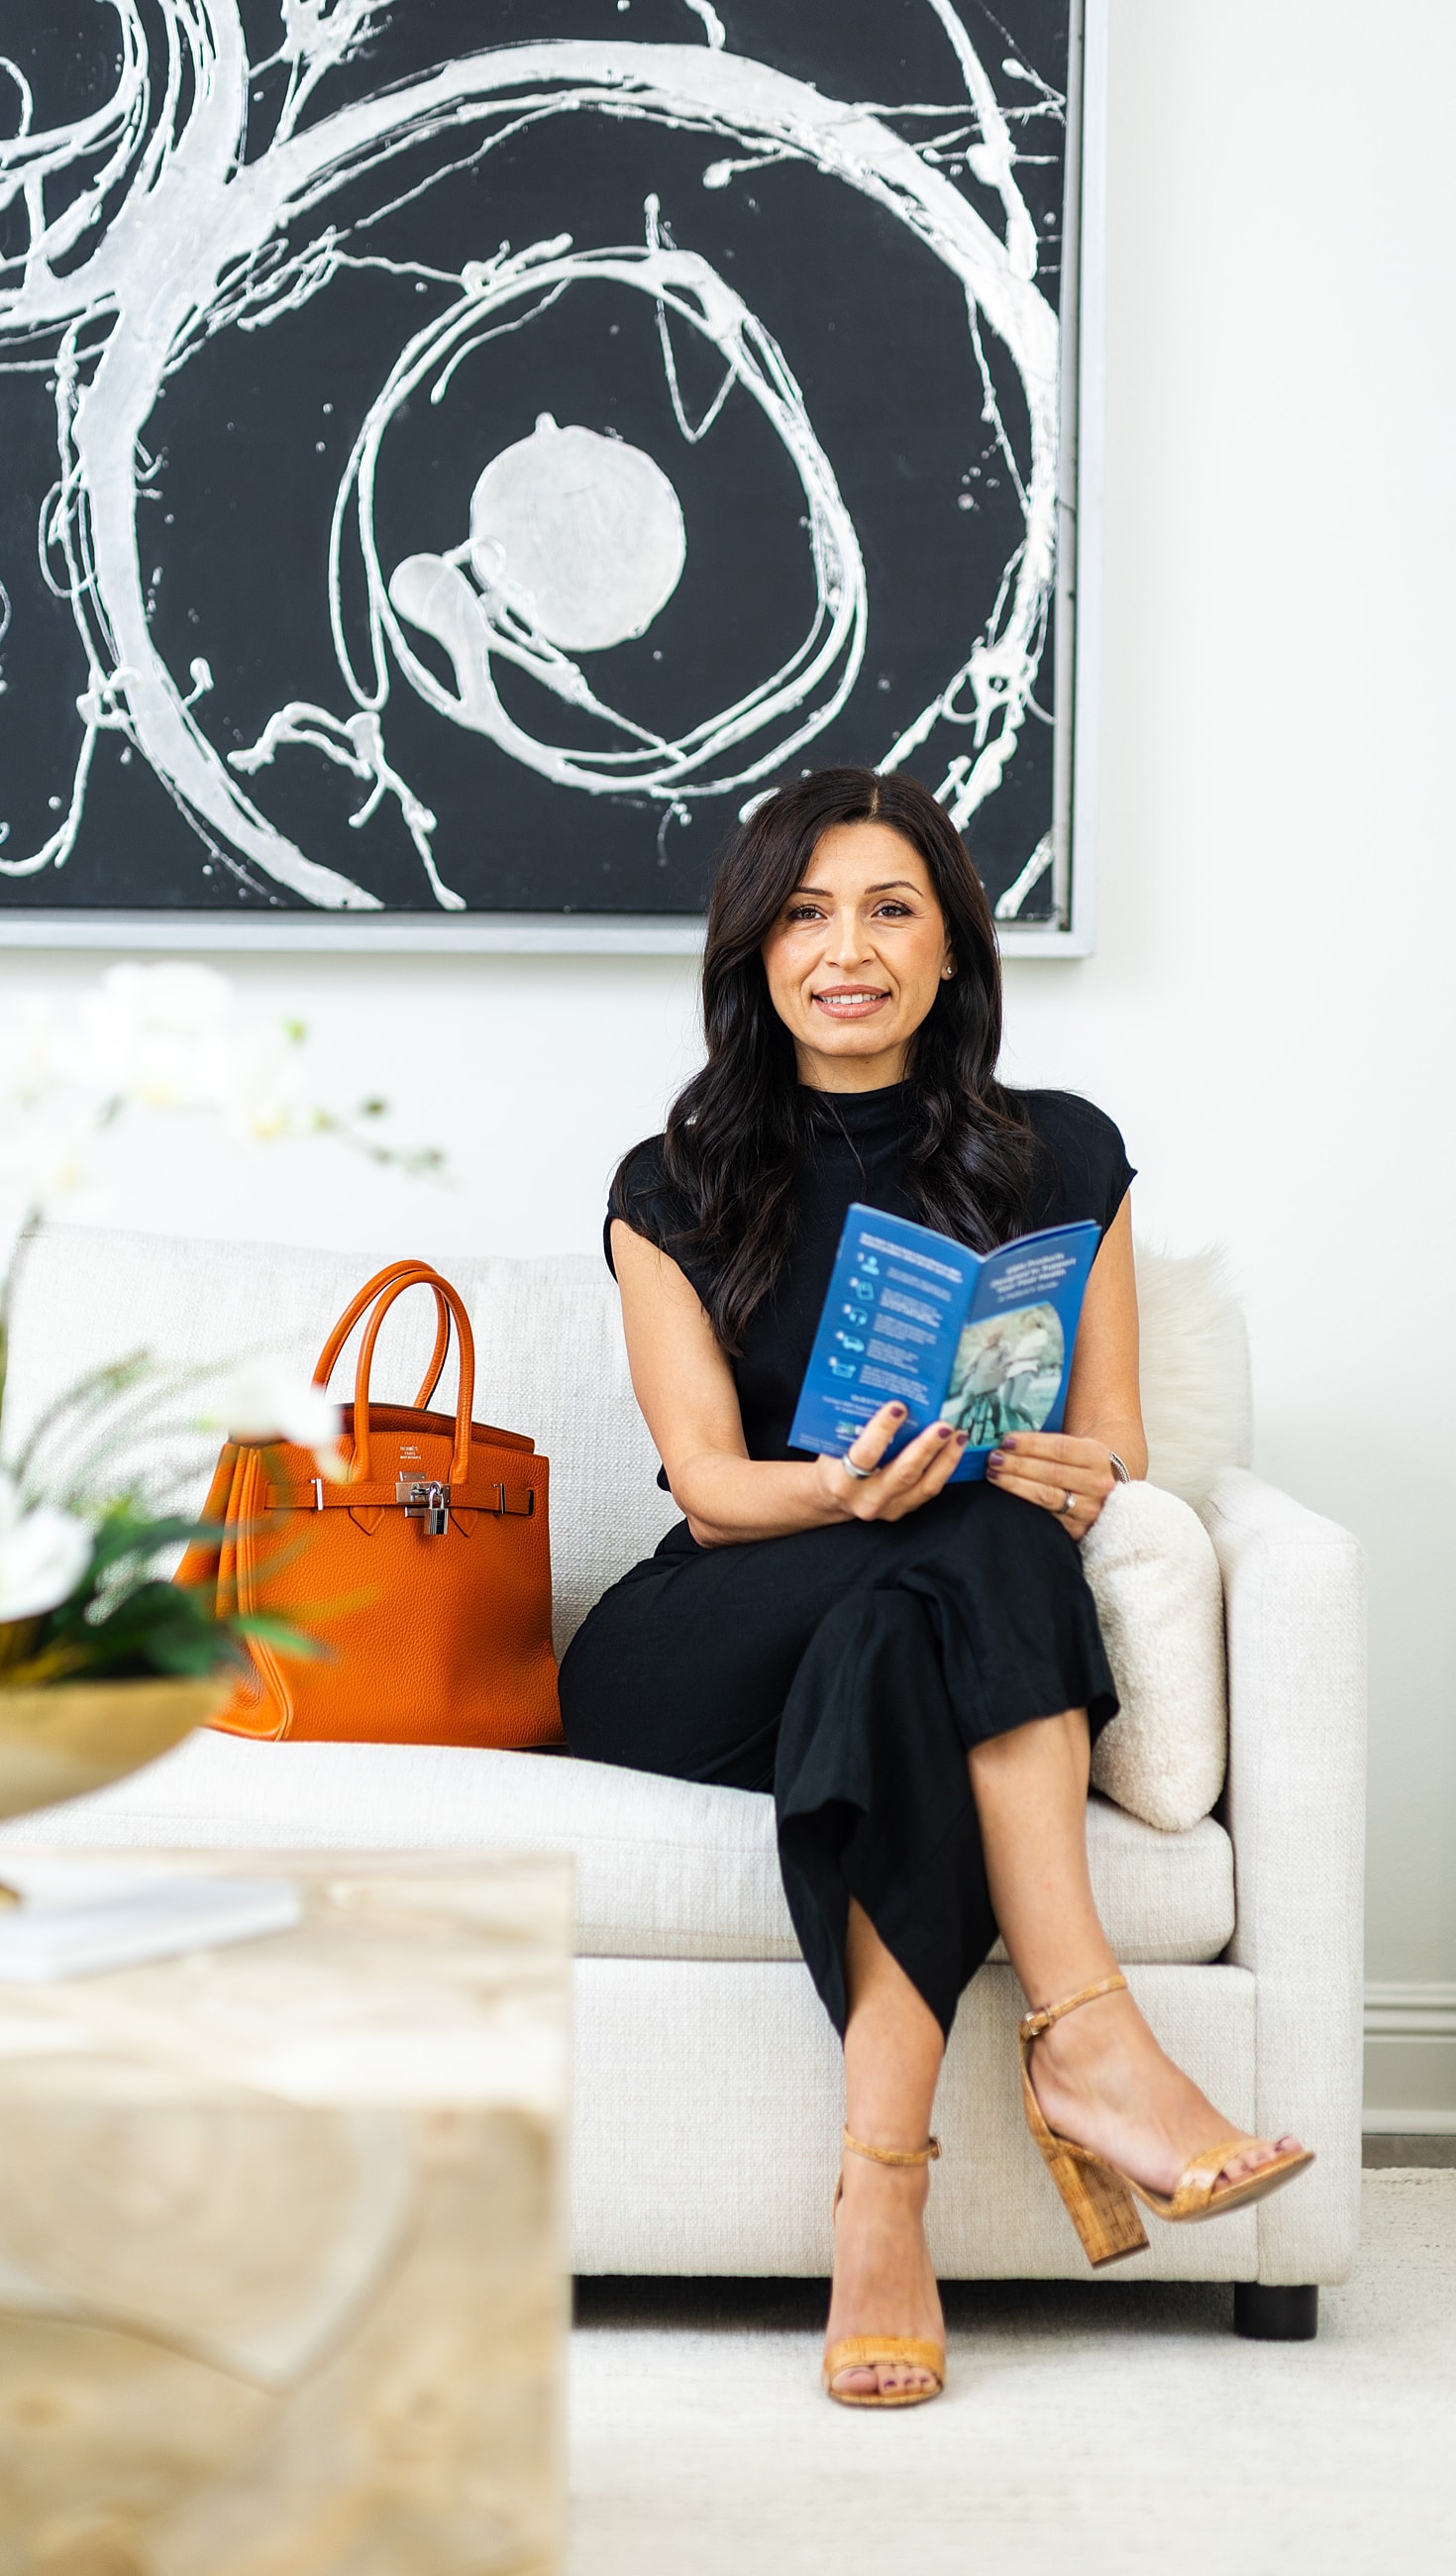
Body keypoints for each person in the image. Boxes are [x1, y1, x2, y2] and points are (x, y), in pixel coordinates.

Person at [558, 767, 1310, 2409]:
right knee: (944, 1547)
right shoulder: (669, 1181)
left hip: (901, 1624)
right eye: (806, 912)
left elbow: (1106, 1440)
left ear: (953, 951)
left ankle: (876, 2198)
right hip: (701, 1637)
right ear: (752, 951)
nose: (849, 948)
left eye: (891, 908)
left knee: (941, 1586)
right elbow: (706, 1483)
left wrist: (1066, 1468)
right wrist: (838, 1486)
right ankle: (1090, 2041)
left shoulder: (1063, 1158)